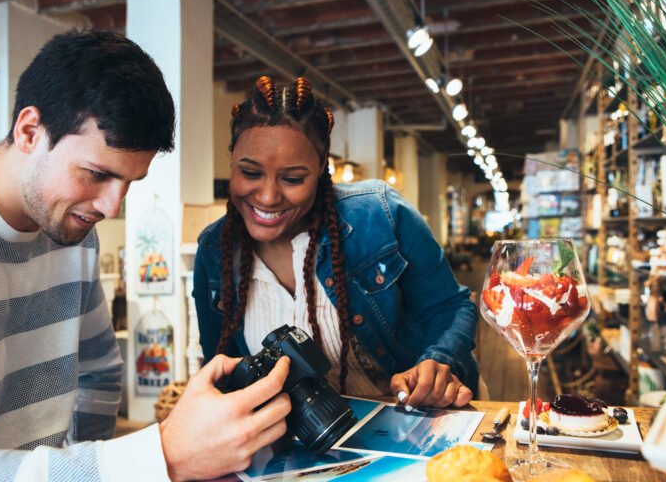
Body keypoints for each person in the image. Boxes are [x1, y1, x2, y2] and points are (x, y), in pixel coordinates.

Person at [0, 31, 291, 482]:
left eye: (129, 183)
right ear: (29, 131)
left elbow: (98, 373)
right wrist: (162, 457)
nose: (111, 207)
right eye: (97, 174)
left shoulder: (73, 234)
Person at [193, 76, 479, 410]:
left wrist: (437, 362)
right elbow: (221, 368)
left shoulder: (381, 215)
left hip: (411, 423)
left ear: (321, 167)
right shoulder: (215, 251)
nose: (268, 196)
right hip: (297, 446)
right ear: (231, 159)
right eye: (250, 173)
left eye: (293, 179)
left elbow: (450, 307)